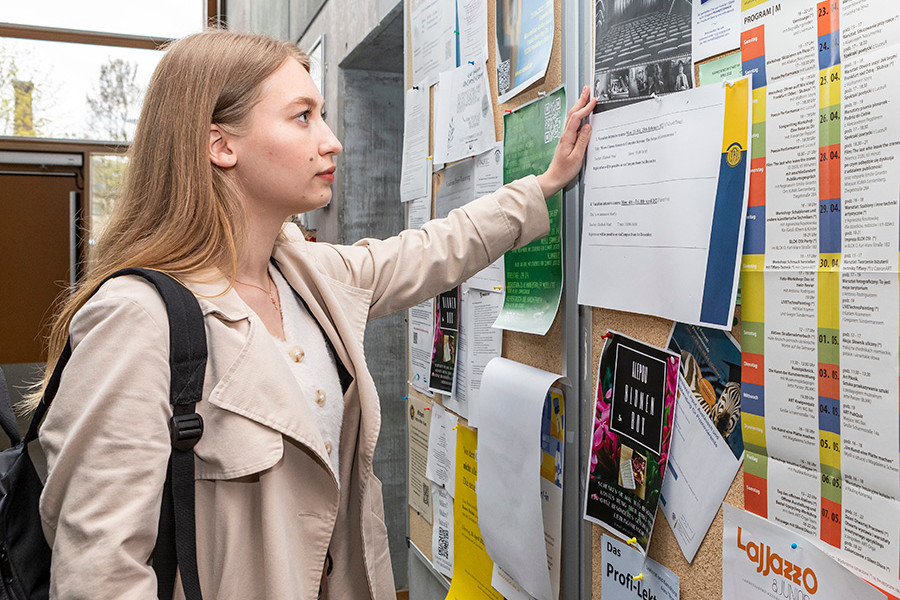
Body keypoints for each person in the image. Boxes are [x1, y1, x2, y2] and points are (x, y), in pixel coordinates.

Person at [30, 29, 596, 599]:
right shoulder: (136, 319)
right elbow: (99, 575)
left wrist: (543, 186)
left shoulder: (306, 274)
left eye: (322, 114)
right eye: (302, 117)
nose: (332, 142)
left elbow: (430, 249)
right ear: (220, 145)